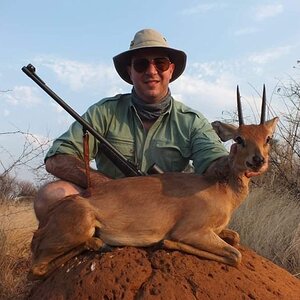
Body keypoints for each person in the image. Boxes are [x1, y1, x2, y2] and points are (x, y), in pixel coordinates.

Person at [35, 28, 228, 220]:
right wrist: (111, 187)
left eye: (160, 63)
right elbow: (57, 158)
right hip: (109, 207)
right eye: (141, 64)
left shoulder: (192, 121)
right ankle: (89, 246)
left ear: (171, 70)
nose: (151, 71)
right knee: (51, 196)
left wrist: (242, 159)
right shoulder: (104, 111)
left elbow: (216, 163)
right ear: (130, 71)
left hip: (166, 213)